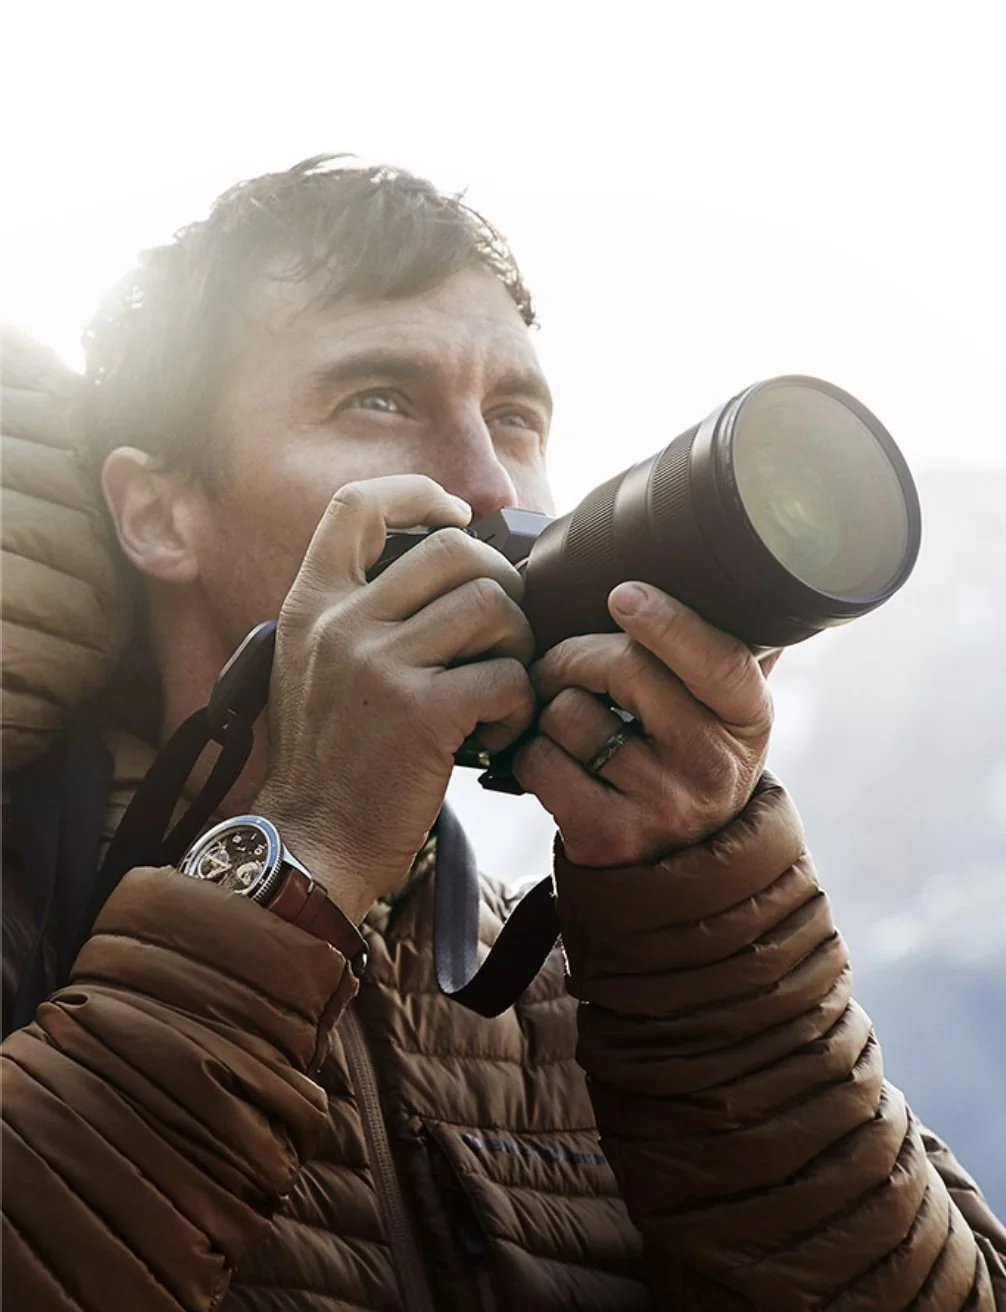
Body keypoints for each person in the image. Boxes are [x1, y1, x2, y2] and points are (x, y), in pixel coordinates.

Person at [1, 157, 1003, 1312]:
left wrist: (698, 903)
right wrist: (308, 852)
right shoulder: (28, 902)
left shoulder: (594, 985)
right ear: (157, 512)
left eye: (515, 417)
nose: (486, 484)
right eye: (378, 399)